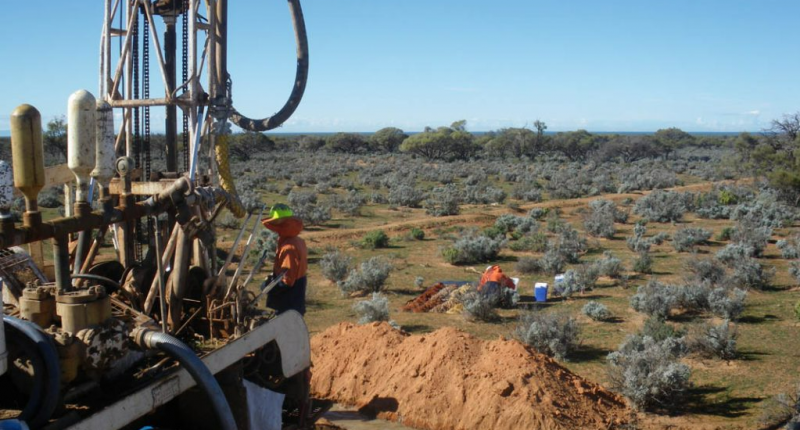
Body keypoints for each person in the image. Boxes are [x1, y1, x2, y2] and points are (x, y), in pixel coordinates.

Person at [261, 204, 308, 315]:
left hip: (288, 304)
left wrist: (268, 286)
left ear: (282, 223)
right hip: (296, 299)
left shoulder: (289, 247)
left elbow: (288, 281)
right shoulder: (298, 241)